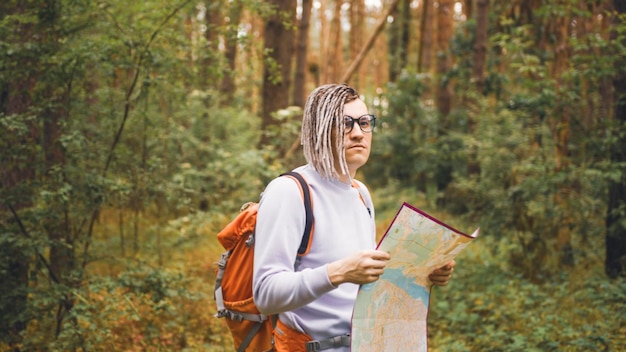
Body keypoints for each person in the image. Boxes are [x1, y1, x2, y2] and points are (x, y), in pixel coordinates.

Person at [252, 83, 455, 352]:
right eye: (345, 123)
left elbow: (364, 280)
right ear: (319, 130)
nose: (358, 133)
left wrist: (423, 272)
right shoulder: (290, 191)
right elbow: (265, 294)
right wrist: (338, 272)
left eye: (364, 122)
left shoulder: (361, 193)